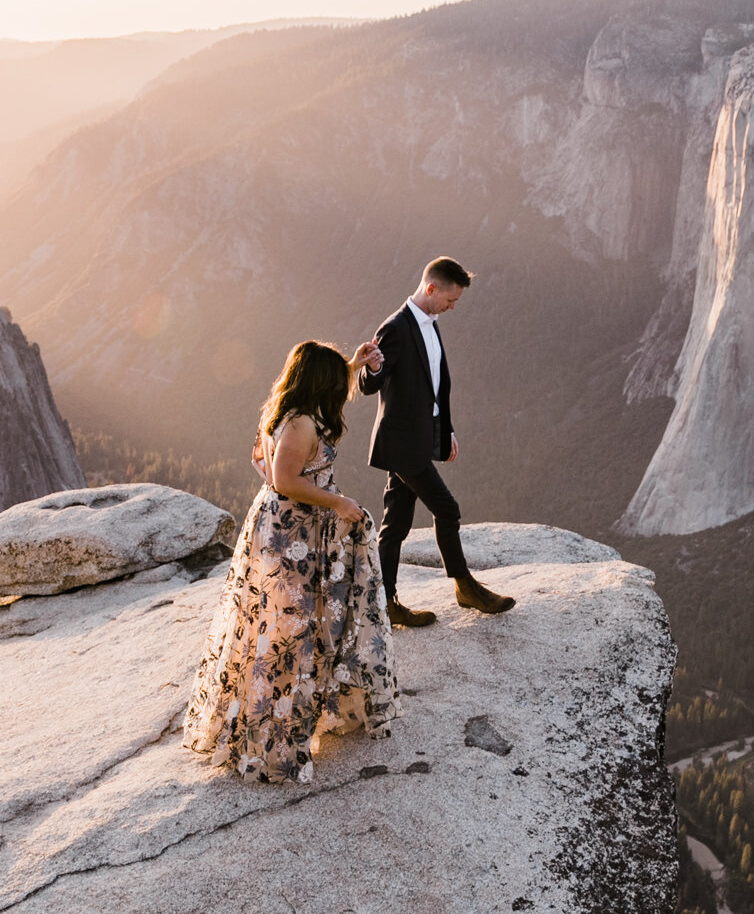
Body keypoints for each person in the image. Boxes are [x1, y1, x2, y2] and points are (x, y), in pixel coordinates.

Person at [183, 337, 395, 785]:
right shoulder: (300, 425)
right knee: (291, 627)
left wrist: (354, 365)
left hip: (283, 529)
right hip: (292, 533)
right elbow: (284, 480)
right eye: (336, 378)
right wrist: (339, 503)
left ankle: (272, 719)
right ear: (320, 383)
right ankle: (276, 737)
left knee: (276, 623)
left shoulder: (285, 410)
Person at [358, 257, 515, 626]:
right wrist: (375, 367)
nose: (452, 306)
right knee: (447, 509)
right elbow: (369, 384)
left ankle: (384, 603)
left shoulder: (430, 323)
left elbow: (433, 386)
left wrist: (445, 431)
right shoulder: (395, 328)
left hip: (418, 438)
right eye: (450, 299)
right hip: (401, 444)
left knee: (395, 524)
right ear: (431, 289)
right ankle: (465, 588)